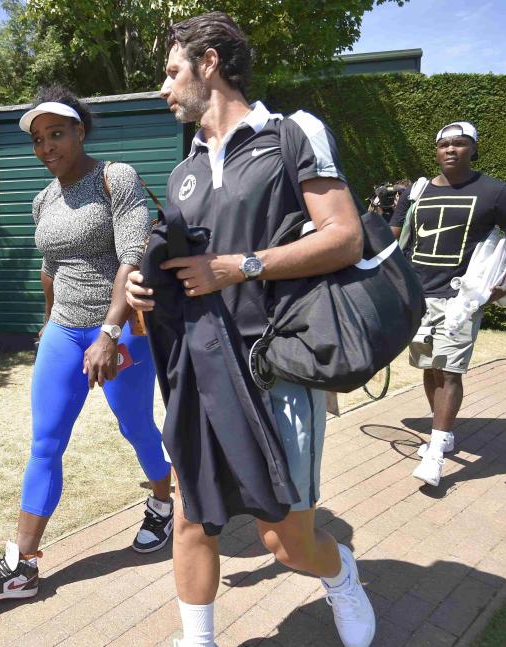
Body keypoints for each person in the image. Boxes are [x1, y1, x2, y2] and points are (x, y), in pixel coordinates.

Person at [126, 12, 376, 647]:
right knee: (192, 519)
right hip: (202, 371)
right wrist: (142, 291)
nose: (164, 87)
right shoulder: (183, 170)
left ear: (209, 63)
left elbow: (344, 237)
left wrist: (240, 268)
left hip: (278, 366)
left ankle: (341, 573)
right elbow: (187, 274)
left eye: (172, 71)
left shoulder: (291, 134)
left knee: (285, 542)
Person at [0, 86, 174, 603]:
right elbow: (50, 266)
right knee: (45, 443)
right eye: (38, 139)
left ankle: (164, 505)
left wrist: (105, 333)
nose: (47, 146)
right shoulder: (43, 199)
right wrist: (48, 320)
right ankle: (23, 565)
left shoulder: (114, 179)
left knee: (135, 425)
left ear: (80, 131)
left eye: (56, 133)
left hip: (119, 330)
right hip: (64, 331)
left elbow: (131, 258)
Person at [390, 121, 506, 487]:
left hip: (462, 300)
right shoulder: (419, 191)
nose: (450, 150)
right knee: (429, 368)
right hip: (418, 296)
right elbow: (393, 239)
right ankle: (445, 433)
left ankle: (436, 452)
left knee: (450, 371)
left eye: (459, 144)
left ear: (473, 149)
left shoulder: (495, 192)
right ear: (436, 150)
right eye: (444, 145)